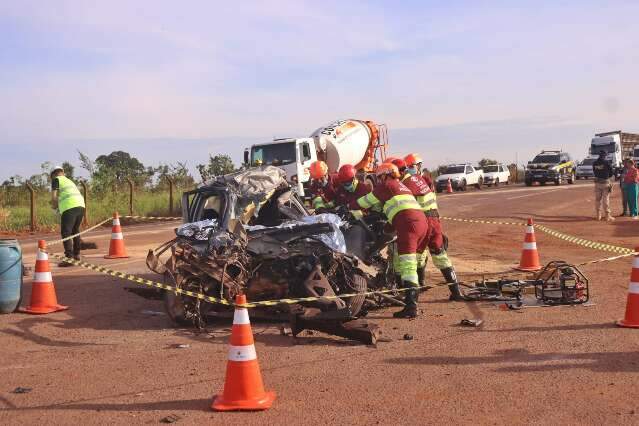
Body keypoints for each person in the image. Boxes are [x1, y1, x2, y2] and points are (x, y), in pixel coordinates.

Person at [356, 163, 428, 318]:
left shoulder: (386, 185)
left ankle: (411, 307)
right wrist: (386, 230)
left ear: (385, 175)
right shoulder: (401, 186)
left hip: (408, 226)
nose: (379, 179)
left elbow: (364, 202)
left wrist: (347, 206)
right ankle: (411, 300)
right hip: (421, 223)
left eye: (379, 176)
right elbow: (399, 210)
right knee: (412, 264)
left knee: (407, 266)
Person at [392, 157, 466, 301]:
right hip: (434, 221)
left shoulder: (405, 184)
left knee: (408, 258)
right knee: (440, 255)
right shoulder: (421, 180)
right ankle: (456, 292)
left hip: (422, 223)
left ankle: (410, 299)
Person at [50, 166, 86, 266]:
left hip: (70, 207)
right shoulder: (69, 181)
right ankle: (77, 255)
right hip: (81, 206)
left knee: (66, 232)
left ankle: (69, 258)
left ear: (54, 174)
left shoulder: (56, 180)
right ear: (63, 172)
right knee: (75, 231)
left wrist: (54, 206)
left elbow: (54, 197)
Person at [592, 150, 615, 221]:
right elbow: (611, 172)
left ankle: (598, 216)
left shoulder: (594, 163)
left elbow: (594, 171)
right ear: (605, 155)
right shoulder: (607, 162)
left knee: (597, 200)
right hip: (605, 183)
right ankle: (607, 216)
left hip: (597, 183)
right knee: (606, 200)